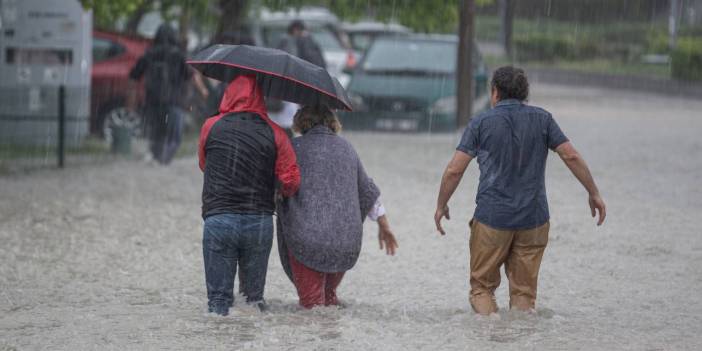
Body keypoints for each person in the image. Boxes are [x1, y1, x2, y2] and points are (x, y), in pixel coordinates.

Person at [434, 66, 606, 315]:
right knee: (524, 294)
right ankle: (521, 339)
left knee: (482, 289)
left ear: (495, 93)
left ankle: (489, 337)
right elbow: (571, 155)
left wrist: (441, 204)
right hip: (533, 220)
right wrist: (594, 193)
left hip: (493, 219)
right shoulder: (543, 119)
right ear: (524, 93)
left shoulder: (481, 122)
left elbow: (454, 170)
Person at [277, 105, 398, 309]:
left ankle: (309, 342)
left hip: (307, 241)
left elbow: (280, 184)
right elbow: (368, 191)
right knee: (329, 302)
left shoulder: (293, 147)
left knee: (311, 308)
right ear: (332, 121)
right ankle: (334, 340)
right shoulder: (347, 148)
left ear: (299, 121)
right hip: (343, 244)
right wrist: (384, 226)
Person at [198, 74, 300, 315]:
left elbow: (204, 164)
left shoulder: (210, 126)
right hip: (259, 222)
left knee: (218, 304)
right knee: (252, 303)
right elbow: (291, 181)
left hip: (218, 219)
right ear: (260, 98)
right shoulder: (275, 133)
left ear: (228, 95)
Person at [128, 24, 207, 165]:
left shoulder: (149, 54)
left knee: (156, 134)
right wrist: (203, 91)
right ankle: (164, 160)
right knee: (174, 137)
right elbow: (193, 75)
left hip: (152, 101)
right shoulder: (179, 55)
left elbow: (133, 77)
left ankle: (156, 158)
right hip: (174, 102)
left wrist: (131, 101)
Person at [270, 20, 327, 135]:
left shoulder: (285, 42)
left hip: (286, 92)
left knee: (284, 125)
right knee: (290, 124)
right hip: (296, 90)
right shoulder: (300, 42)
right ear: (297, 30)